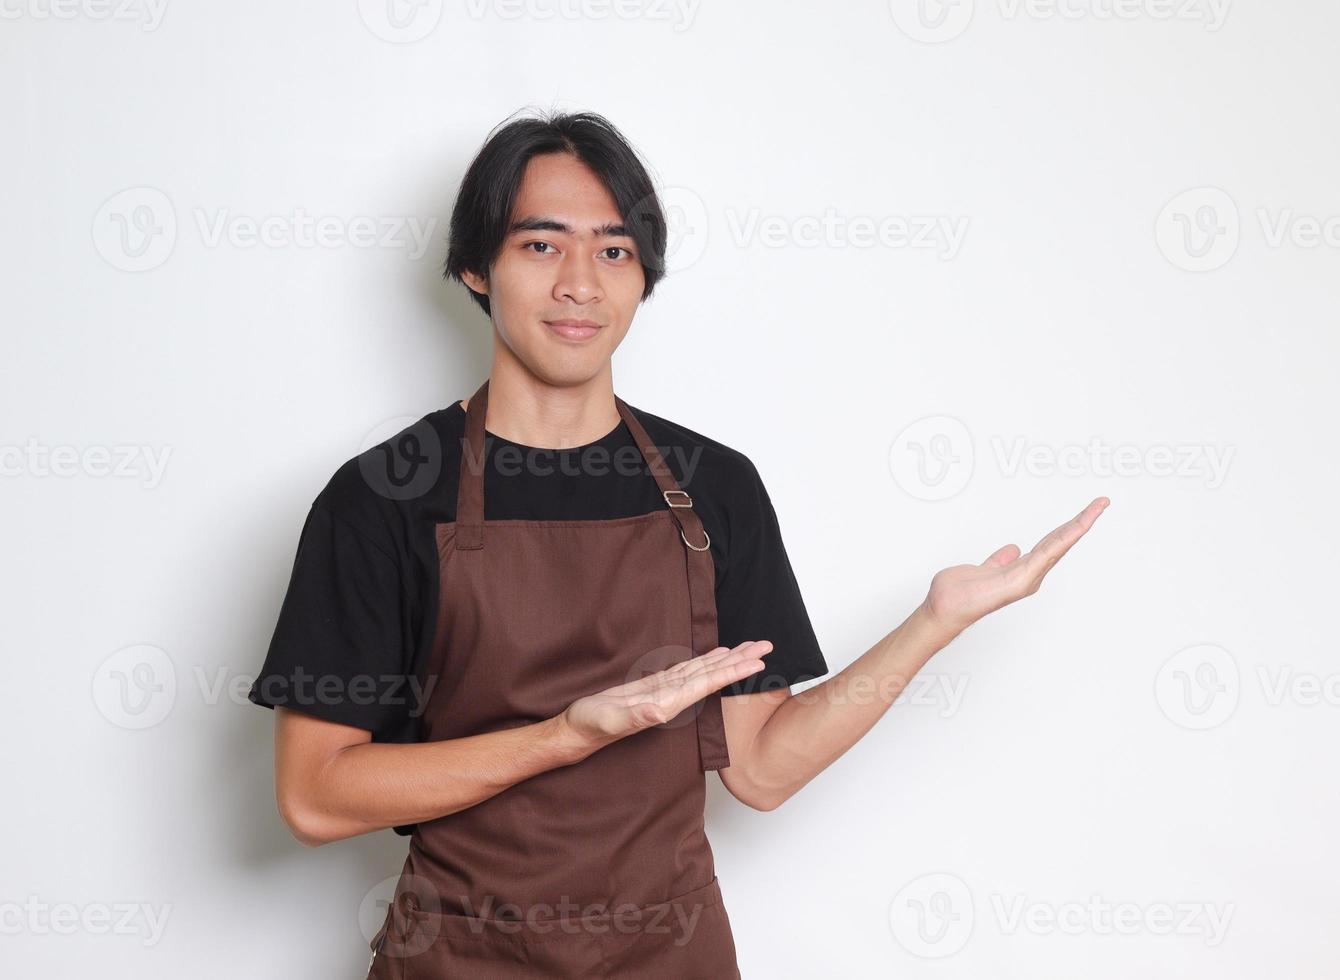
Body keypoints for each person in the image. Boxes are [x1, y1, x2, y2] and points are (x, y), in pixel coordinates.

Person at [246, 108, 1109, 979]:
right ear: (476, 266)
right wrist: (564, 737)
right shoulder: (384, 496)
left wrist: (935, 621)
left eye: (614, 250)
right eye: (542, 246)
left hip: (671, 956)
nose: (581, 284)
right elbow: (315, 796)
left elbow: (762, 769)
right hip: (461, 955)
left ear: (643, 276)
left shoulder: (713, 487)